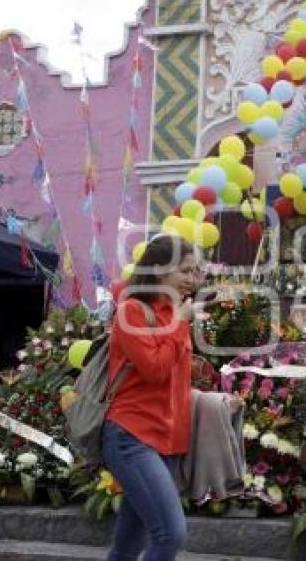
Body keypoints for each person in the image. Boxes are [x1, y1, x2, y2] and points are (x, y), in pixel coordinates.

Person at [103, 234, 199, 561]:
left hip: (166, 441)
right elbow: (155, 370)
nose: (192, 279)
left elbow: (173, 379)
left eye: (194, 271)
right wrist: (181, 324)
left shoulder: (173, 313)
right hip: (132, 435)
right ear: (159, 270)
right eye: (185, 271)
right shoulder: (131, 311)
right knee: (170, 534)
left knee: (129, 542)